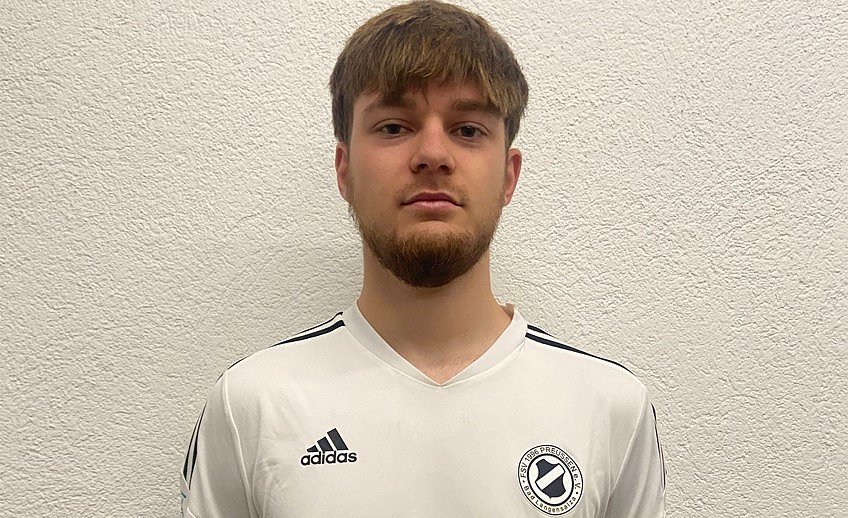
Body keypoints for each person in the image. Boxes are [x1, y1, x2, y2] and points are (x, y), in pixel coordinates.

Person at [180, 1, 666, 516]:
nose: (433, 154)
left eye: (468, 130)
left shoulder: (610, 408)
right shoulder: (252, 405)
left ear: (508, 176)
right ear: (344, 171)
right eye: (394, 127)